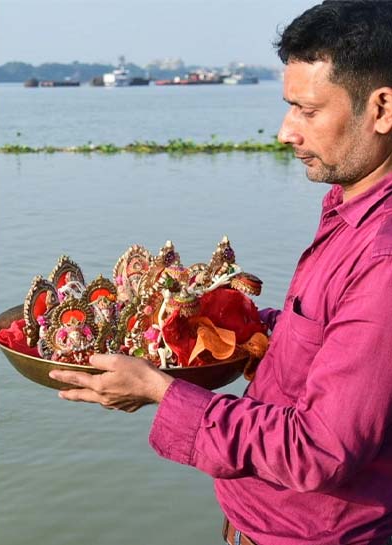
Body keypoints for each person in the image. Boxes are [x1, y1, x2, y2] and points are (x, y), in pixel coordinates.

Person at [49, 2, 392, 544]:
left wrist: (162, 391)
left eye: (306, 110)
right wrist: (209, 321)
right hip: (256, 519)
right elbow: (325, 338)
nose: (286, 132)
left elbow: (319, 451)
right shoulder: (348, 205)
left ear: (382, 108)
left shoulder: (381, 257)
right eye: (288, 108)